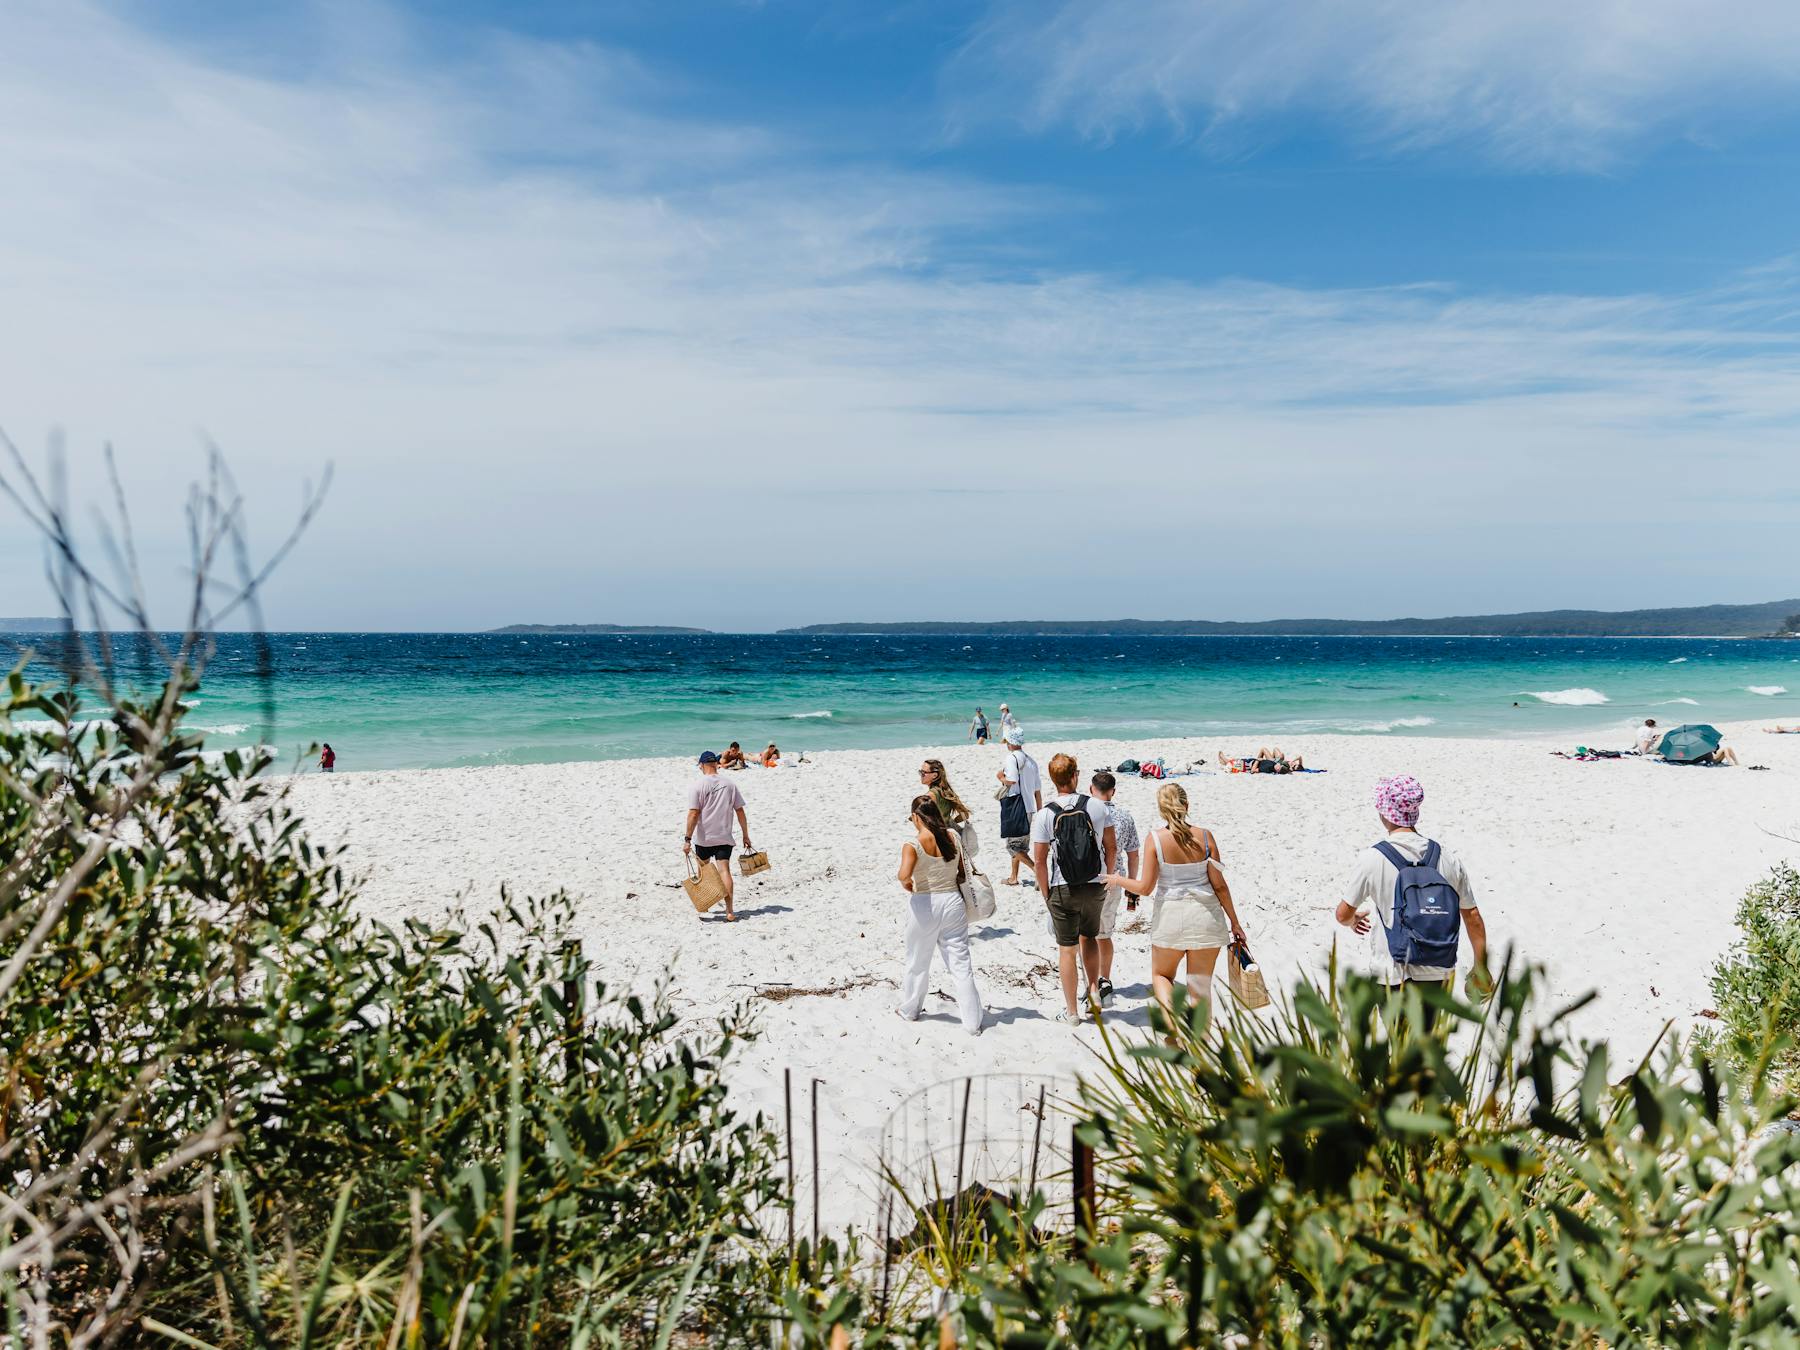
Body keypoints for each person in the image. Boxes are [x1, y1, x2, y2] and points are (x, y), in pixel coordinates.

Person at [1334, 774, 1489, 1022]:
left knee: (1400, 1052)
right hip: (1439, 970)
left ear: (1385, 813)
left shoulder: (1372, 858)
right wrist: (1481, 967)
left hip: (1392, 972)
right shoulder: (1447, 857)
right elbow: (1473, 917)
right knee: (1428, 1048)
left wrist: (1353, 921)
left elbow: (1342, 914)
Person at [1104, 782, 1244, 1026]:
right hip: (1206, 918)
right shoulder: (1206, 837)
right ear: (1186, 805)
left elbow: (1145, 888)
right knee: (1200, 989)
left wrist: (1118, 880)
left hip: (1171, 919)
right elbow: (1219, 885)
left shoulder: (1155, 840)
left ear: (1161, 810)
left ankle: (1173, 1029)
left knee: (1162, 976)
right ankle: (1200, 1049)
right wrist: (1235, 922)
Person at [1030, 753, 1116, 1025]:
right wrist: (1107, 876)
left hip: (1061, 886)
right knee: (1090, 938)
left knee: (1067, 949)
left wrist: (1046, 893)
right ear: (1075, 776)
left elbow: (1040, 861)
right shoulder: (1098, 807)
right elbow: (1111, 847)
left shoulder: (1045, 814)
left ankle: (1072, 1013)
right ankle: (1093, 991)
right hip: (1094, 883)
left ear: (1052, 779)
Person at [895, 796, 985, 1035]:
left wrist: (907, 883)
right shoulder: (952, 836)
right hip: (953, 900)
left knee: (917, 959)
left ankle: (911, 1009)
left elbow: (903, 874)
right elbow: (959, 868)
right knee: (960, 963)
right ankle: (973, 1022)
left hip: (926, 902)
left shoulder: (912, 844)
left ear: (916, 817)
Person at [1088, 770, 1139, 1009]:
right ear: (1113, 792)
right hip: (1114, 881)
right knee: (1104, 934)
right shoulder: (1125, 816)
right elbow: (1133, 854)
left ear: (1091, 789)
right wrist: (1133, 886)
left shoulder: (1084, 812)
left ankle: (1090, 984)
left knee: (1085, 935)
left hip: (1087, 880)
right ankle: (1104, 979)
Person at [683, 750, 753, 921]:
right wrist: (745, 835)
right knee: (724, 872)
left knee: (704, 873)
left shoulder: (698, 785)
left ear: (701, 765)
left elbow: (693, 814)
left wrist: (687, 839)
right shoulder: (729, 784)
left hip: (704, 839)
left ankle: (705, 905)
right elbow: (740, 811)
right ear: (716, 764)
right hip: (724, 836)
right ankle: (729, 911)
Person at [996, 732, 1042, 886]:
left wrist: (1000, 777)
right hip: (1029, 807)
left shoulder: (1011, 758)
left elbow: (1012, 780)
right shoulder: (1031, 761)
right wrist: (1040, 811)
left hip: (1015, 806)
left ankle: (1037, 870)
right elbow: (1037, 790)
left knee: (1013, 846)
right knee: (1021, 845)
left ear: (1010, 742)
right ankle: (1013, 878)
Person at [919, 758, 978, 860]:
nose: (921, 775)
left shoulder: (930, 795)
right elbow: (965, 814)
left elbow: (925, 820)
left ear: (934, 775)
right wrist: (950, 821)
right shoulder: (946, 791)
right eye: (920, 772)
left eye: (924, 773)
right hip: (952, 835)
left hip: (939, 838)